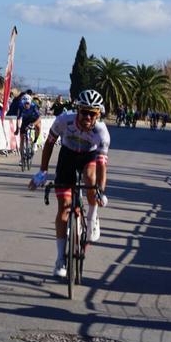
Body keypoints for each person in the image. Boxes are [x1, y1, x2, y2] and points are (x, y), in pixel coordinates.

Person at [28, 89, 110, 277]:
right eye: (84, 112)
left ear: (98, 114)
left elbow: (102, 165)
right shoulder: (64, 121)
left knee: (90, 179)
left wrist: (101, 191)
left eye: (92, 113)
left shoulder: (101, 132)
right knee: (64, 209)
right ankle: (60, 259)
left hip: (89, 156)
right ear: (78, 110)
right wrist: (42, 171)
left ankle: (92, 217)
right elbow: (49, 143)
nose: (87, 117)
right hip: (68, 156)